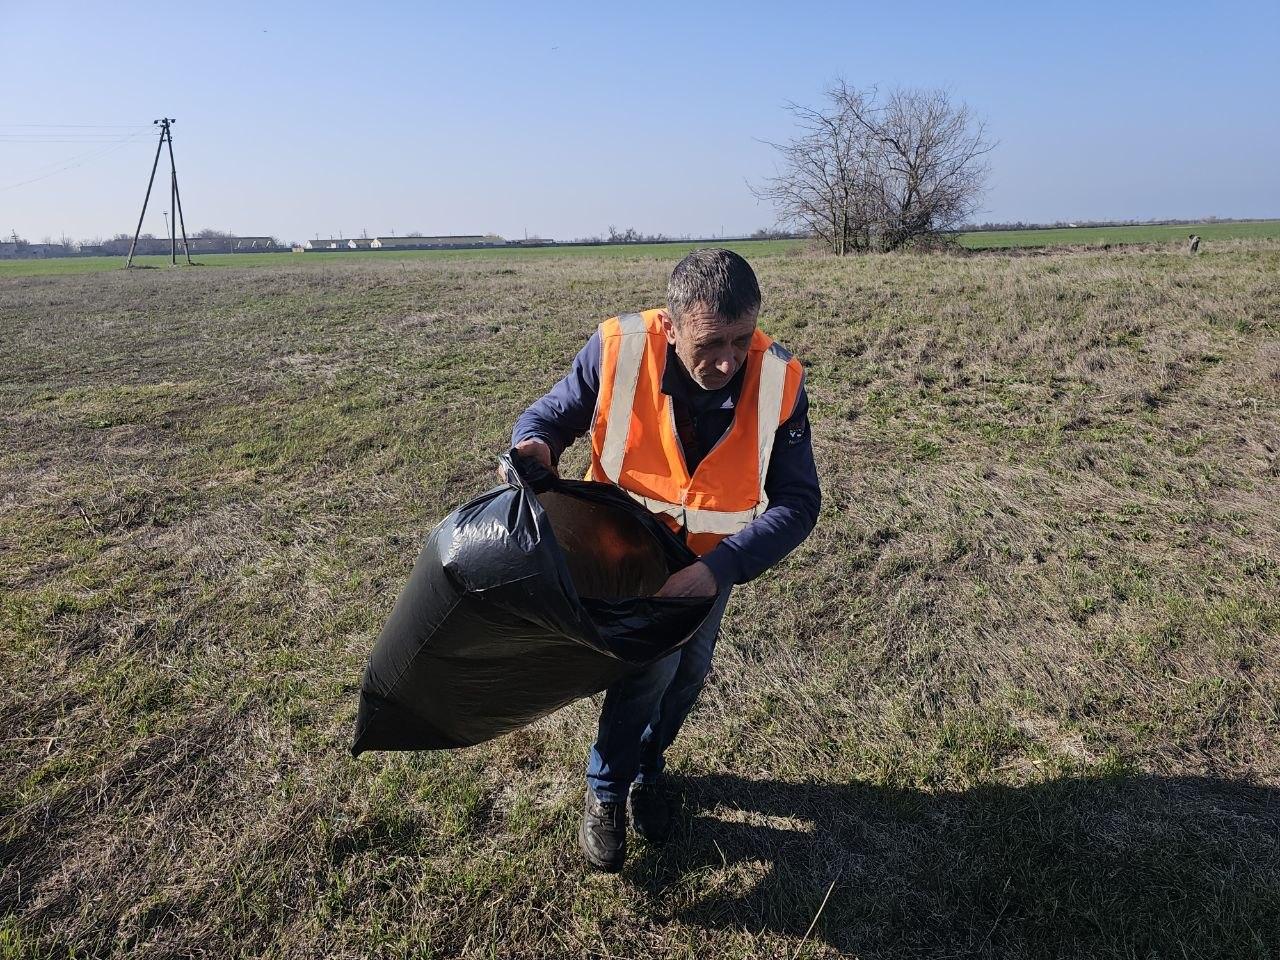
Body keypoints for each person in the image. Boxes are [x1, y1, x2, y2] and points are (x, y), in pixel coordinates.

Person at [509, 248, 820, 871]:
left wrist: (716, 571)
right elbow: (550, 415)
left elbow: (799, 501)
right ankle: (607, 789)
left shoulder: (780, 378)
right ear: (672, 327)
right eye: (710, 344)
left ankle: (650, 770)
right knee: (649, 672)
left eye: (741, 339)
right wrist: (534, 443)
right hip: (624, 555)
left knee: (688, 676)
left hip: (709, 566)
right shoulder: (617, 349)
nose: (728, 361)